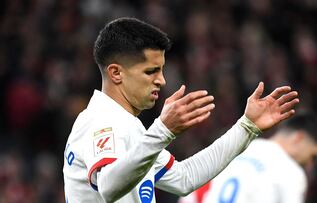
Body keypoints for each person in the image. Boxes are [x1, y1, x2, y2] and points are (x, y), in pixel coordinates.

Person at [63, 17, 299, 203]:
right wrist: (162, 131)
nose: (161, 81)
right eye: (150, 71)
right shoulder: (101, 122)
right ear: (116, 73)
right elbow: (108, 186)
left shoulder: (127, 125)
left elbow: (184, 178)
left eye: (161, 70)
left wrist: (247, 126)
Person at [179, 112, 317, 203]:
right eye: (312, 156)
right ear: (298, 138)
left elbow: (191, 196)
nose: (309, 165)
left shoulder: (236, 148)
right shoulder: (291, 172)